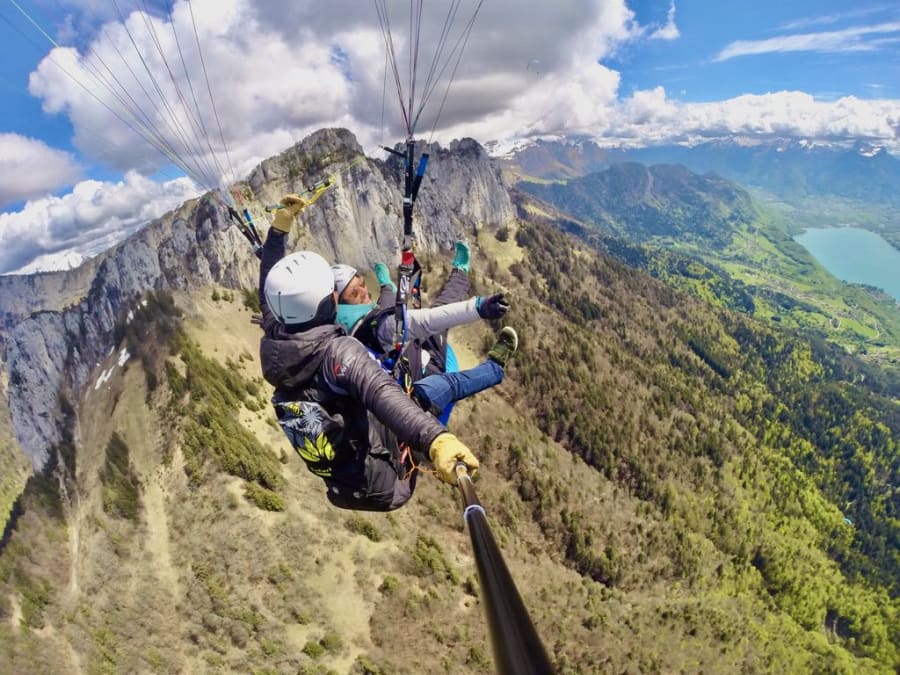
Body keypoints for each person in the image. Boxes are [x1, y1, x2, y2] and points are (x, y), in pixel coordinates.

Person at [257, 193, 479, 511]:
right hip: (391, 483)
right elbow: (382, 394)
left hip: (343, 487)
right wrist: (435, 439)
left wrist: (279, 228)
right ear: (328, 301)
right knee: (426, 363)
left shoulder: (277, 335)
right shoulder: (339, 353)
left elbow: (267, 281)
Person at [330, 243, 518, 420]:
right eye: (355, 293)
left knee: (438, 311)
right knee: (450, 383)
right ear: (341, 306)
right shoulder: (373, 329)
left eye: (362, 284)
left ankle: (460, 271)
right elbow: (426, 321)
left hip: (409, 359)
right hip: (417, 385)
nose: (364, 292)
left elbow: (385, 302)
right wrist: (478, 308)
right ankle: (495, 366)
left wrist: (386, 283)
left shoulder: (355, 325)